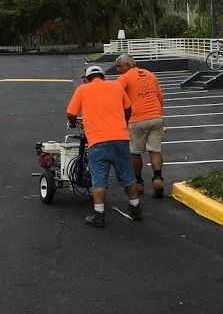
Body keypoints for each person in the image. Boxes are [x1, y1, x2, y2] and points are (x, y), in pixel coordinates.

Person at [66, 64, 141, 227]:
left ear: (87, 78)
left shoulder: (82, 90)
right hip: (121, 139)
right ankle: (136, 209)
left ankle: (99, 216)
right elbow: (128, 109)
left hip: (97, 141)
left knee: (99, 180)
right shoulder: (116, 87)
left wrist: (73, 123)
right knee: (128, 177)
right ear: (103, 76)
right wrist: (124, 122)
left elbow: (71, 113)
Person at [115, 53, 166, 197]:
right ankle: (157, 179)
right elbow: (160, 97)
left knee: (135, 152)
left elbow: (115, 94)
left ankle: (138, 182)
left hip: (137, 118)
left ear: (128, 65)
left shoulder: (124, 78)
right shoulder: (150, 75)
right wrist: (159, 114)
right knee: (155, 150)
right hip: (156, 117)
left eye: (119, 66)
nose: (117, 69)